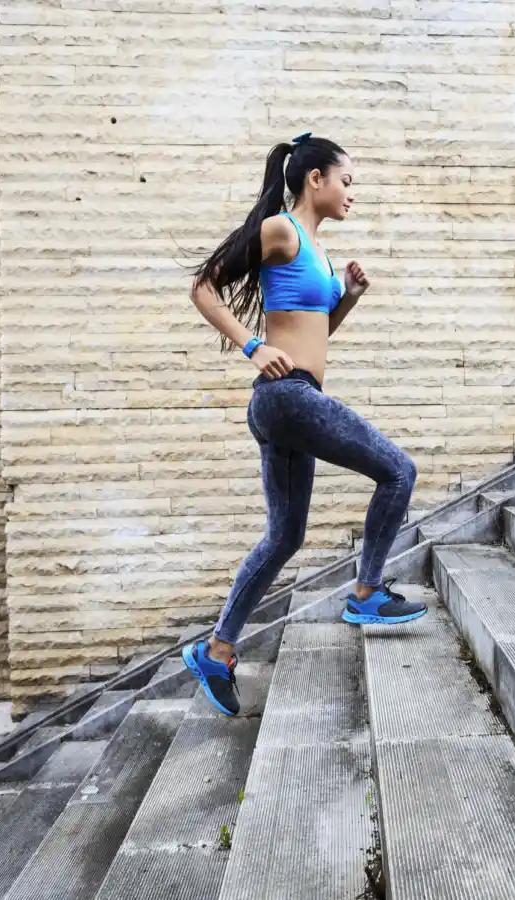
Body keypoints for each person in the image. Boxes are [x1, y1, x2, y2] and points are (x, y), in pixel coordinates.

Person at [182, 133, 428, 716]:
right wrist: (250, 346)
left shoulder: (313, 249)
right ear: (315, 178)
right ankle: (366, 593)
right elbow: (203, 286)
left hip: (293, 398)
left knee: (285, 537)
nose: (352, 194)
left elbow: (313, 337)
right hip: (284, 397)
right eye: (346, 181)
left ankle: (217, 651)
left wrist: (349, 298)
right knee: (398, 470)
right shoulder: (282, 229)